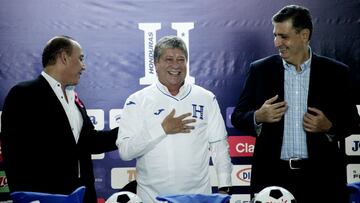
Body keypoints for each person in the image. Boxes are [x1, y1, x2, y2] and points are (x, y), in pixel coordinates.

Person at [231, 5, 359, 203]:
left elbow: (352, 121)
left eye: (284, 36)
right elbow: (237, 116)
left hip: (322, 179)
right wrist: (258, 116)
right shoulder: (260, 70)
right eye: (275, 35)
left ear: (304, 35)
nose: (276, 43)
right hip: (273, 177)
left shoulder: (336, 73)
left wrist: (329, 127)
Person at [0, 35, 119, 203]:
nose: (83, 66)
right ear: (64, 57)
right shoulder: (23, 94)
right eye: (80, 59)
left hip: (83, 196)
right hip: (46, 197)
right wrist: (29, 197)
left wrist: (128, 129)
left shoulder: (75, 100)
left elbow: (90, 141)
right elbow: (13, 153)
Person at [116, 35, 232, 203]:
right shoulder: (137, 101)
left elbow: (219, 146)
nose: (175, 65)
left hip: (199, 198)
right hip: (152, 199)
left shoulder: (206, 98)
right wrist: (162, 129)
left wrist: (225, 187)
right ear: (156, 64)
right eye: (168, 59)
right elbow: (125, 152)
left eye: (181, 59)